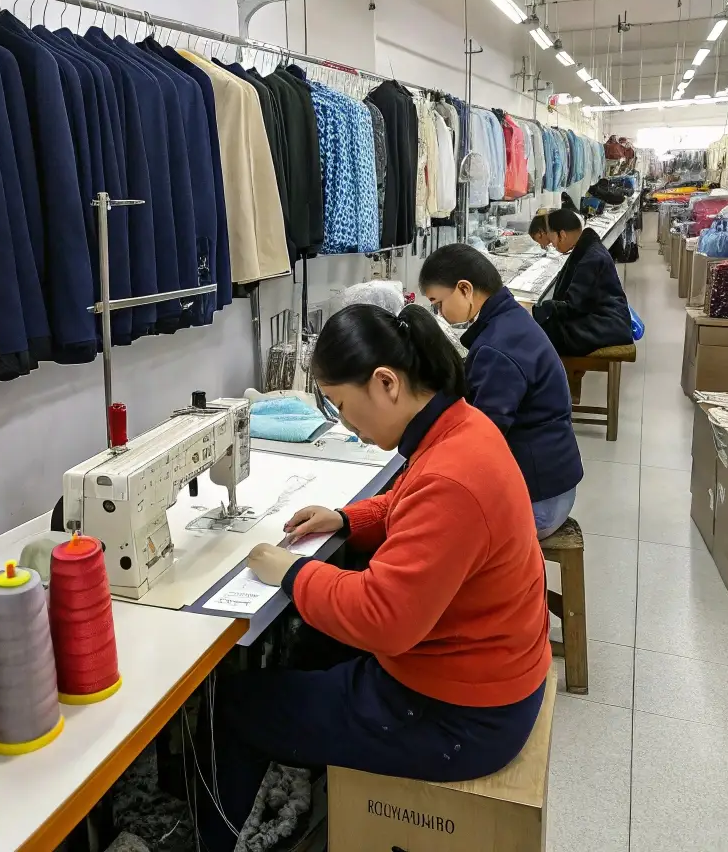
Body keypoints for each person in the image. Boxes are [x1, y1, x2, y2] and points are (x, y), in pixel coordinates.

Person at [195, 303, 551, 852]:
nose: (345, 423)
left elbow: (384, 619)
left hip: (460, 718)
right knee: (309, 645)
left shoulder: (453, 475)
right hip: (485, 676)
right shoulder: (460, 427)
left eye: (342, 405)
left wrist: (292, 572)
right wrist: (345, 520)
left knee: (232, 706)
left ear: (386, 383)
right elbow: (409, 508)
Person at [419, 244, 582, 538]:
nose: (439, 313)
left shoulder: (497, 347)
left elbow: (484, 436)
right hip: (555, 485)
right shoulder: (510, 320)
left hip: (539, 504)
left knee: (429, 530)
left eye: (438, 302)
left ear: (465, 289)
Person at [531, 207, 634, 357]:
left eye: (553, 242)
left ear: (562, 235)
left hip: (608, 323)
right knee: (543, 328)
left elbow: (573, 306)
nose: (554, 246)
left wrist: (538, 310)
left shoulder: (591, 258)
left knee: (539, 336)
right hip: (603, 315)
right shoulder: (588, 248)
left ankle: (556, 378)